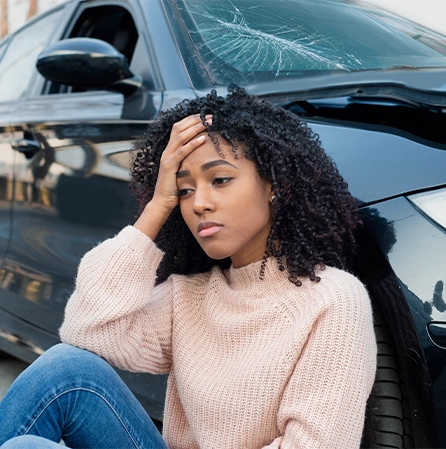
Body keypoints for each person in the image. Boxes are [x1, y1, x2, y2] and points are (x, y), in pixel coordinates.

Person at [0, 86, 376, 449]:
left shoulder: (333, 301)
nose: (199, 203)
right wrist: (156, 208)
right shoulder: (190, 295)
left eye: (220, 179)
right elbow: (87, 331)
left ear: (274, 184)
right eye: (184, 190)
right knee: (65, 368)